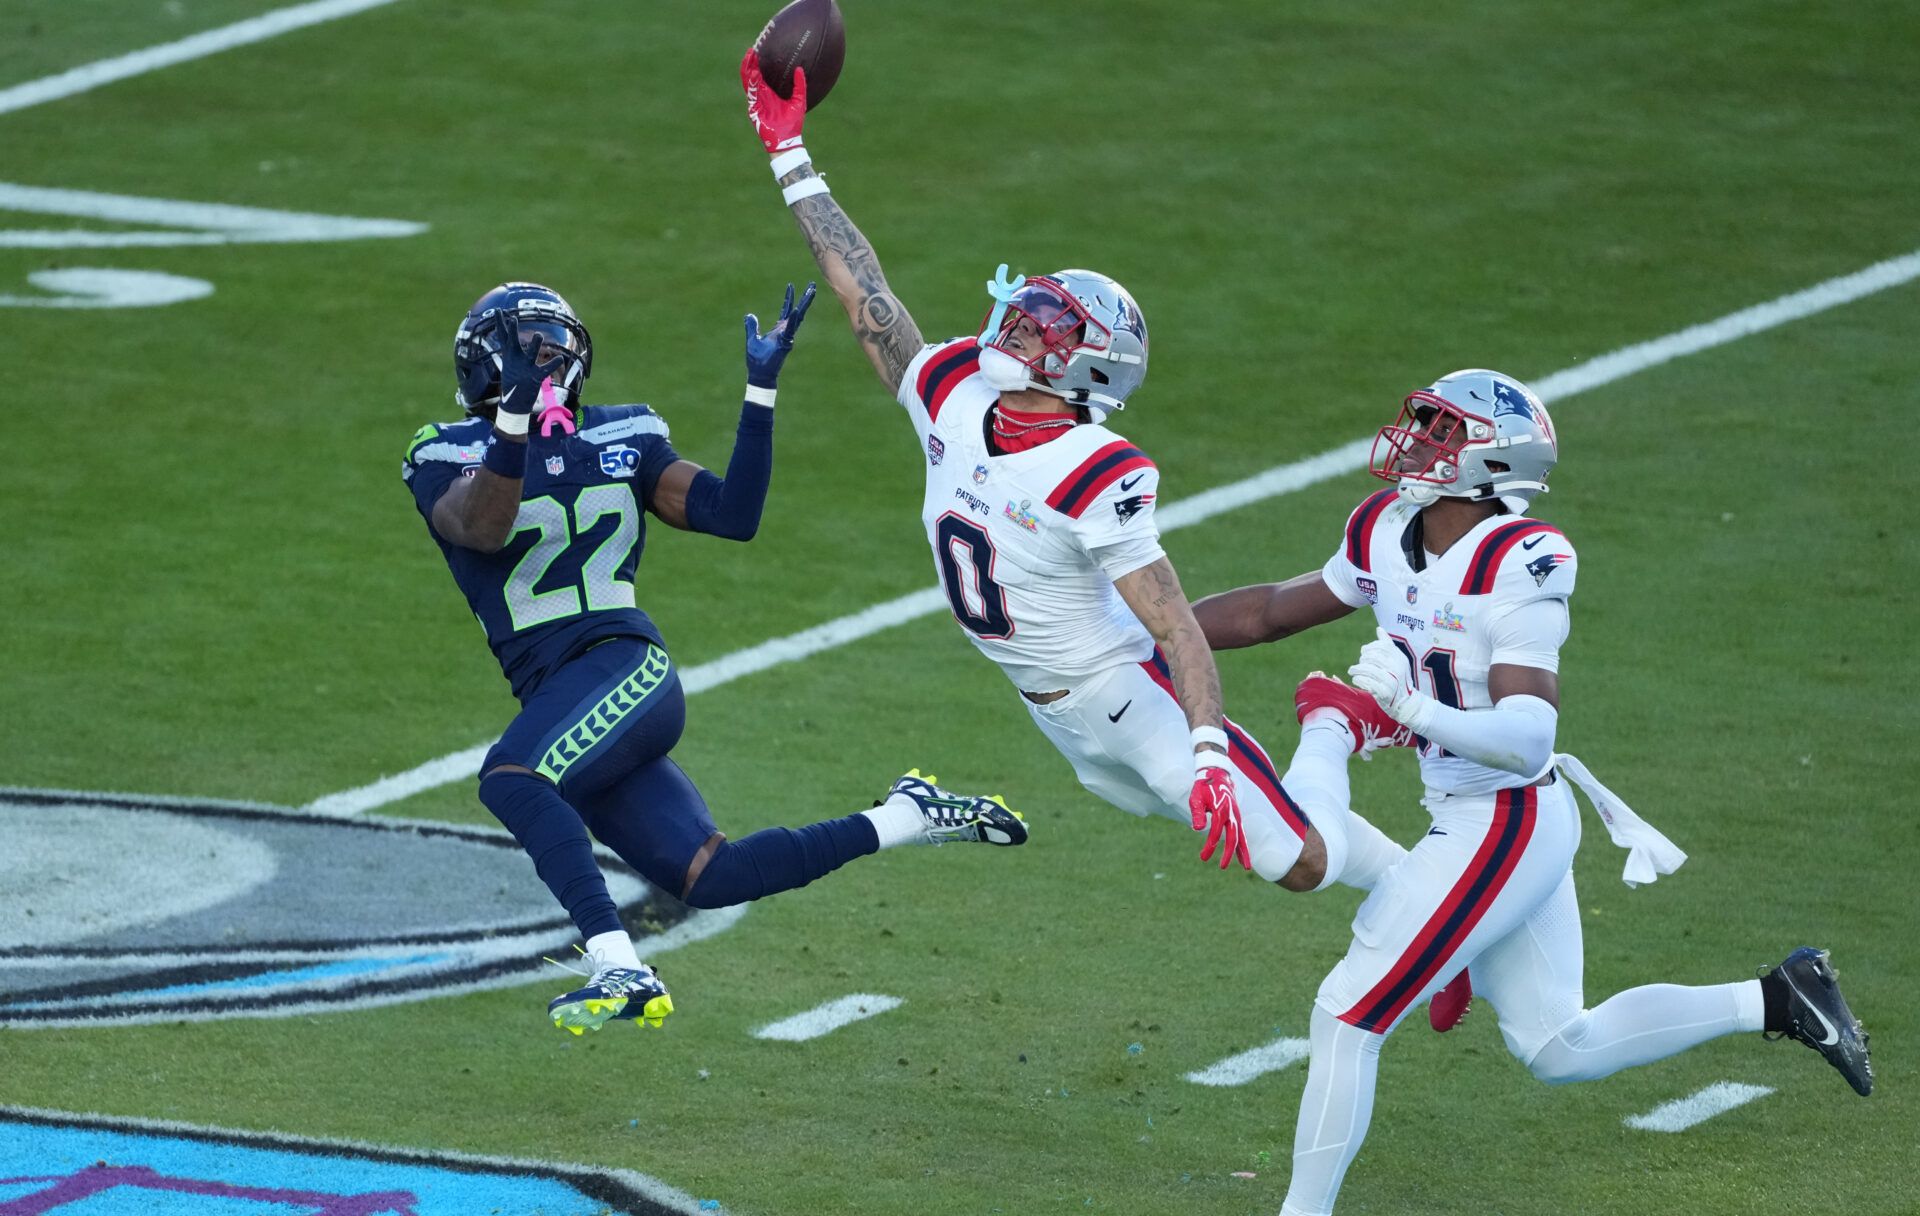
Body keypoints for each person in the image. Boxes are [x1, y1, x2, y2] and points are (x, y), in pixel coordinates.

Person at [1191, 367, 1873, 1214]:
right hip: (1482, 815)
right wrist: (1152, 627)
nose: (1417, 440)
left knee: (1347, 1014)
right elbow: (1269, 612)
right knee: (1557, 1044)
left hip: (1506, 817)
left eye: (1441, 429)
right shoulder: (1385, 526)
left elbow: (1528, 739)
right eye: (1424, 423)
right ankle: (1778, 997)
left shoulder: (1520, 561)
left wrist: (1413, 709)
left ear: (1490, 460)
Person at [736, 54, 1414, 897]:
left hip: (1127, 696)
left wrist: (1207, 749)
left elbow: (1175, 627)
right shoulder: (951, 388)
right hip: (1052, 713)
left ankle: (1333, 730)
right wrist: (789, 154)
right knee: (1279, 828)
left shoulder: (1095, 469)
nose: (1022, 325)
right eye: (1028, 311)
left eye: (1049, 325)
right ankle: (1431, 892)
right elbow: (863, 289)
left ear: (1089, 366)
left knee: (1298, 863)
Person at [402, 280, 1027, 1035]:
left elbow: (732, 515)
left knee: (514, 777)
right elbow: (481, 528)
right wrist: (511, 423)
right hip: (561, 693)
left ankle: (620, 966)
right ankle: (907, 815)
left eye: (553, 349)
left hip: (622, 663)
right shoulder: (444, 450)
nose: (546, 363)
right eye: (527, 352)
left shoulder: (622, 433)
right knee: (712, 875)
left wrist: (760, 393)